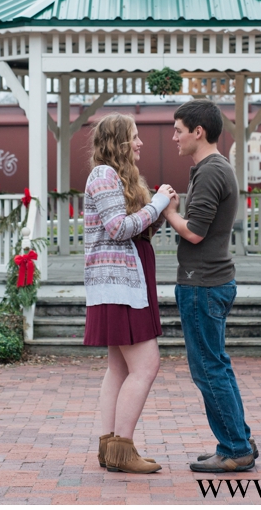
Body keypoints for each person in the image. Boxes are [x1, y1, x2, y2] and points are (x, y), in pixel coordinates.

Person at [161, 100, 257, 473]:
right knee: (217, 365)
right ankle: (237, 440)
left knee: (207, 369)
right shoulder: (216, 168)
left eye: (178, 130)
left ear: (198, 131)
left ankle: (235, 448)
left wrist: (168, 209)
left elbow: (195, 233)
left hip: (201, 283)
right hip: (212, 281)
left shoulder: (210, 170)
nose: (174, 137)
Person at [82, 114, 175, 475]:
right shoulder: (104, 175)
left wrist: (158, 210)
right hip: (119, 284)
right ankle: (121, 449)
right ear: (118, 141)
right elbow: (119, 228)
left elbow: (132, 227)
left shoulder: (116, 177)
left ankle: (110, 447)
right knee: (147, 366)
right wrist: (157, 205)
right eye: (133, 138)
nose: (139, 144)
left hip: (123, 282)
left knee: (118, 367)